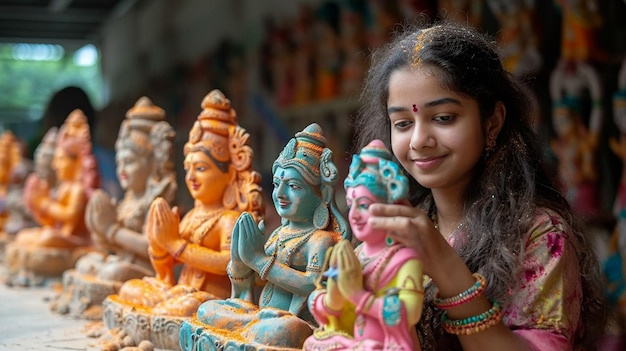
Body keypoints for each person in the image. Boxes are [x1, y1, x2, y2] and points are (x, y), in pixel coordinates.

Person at [351, 20, 607, 350]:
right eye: (402, 123)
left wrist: (443, 264)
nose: (418, 140)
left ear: (492, 121)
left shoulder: (539, 235)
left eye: (443, 117)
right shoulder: (397, 229)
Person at [100, 89, 264, 350]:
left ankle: (163, 326)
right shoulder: (191, 216)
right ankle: (161, 320)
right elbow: (165, 268)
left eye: (201, 168)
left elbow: (230, 264)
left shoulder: (231, 219)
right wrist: (159, 243)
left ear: (229, 174)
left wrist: (176, 244)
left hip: (213, 301)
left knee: (190, 307)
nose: (191, 177)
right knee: (132, 289)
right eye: (187, 168)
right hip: (179, 291)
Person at [179, 123, 351, 350]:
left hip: (296, 325)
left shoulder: (322, 239)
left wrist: (258, 260)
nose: (280, 194)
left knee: (287, 330)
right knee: (206, 309)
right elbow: (257, 280)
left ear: (322, 194)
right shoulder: (280, 234)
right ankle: (246, 331)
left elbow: (313, 285)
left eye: (293, 186)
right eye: (278, 184)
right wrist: (241, 262)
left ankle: (241, 335)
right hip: (261, 318)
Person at [50, 96, 177, 318]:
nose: (122, 169)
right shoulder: (128, 198)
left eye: (129, 161)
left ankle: (102, 305)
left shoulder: (157, 200)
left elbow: (154, 246)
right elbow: (109, 245)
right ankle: (95, 303)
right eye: (120, 161)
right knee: (86, 264)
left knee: (113, 271)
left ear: (152, 163)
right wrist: (98, 226)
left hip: (148, 272)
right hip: (121, 259)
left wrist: (112, 230)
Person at [304, 139, 424, 350]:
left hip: (387, 345)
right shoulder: (354, 255)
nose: (355, 215)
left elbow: (409, 312)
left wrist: (358, 296)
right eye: (351, 205)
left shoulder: (404, 259)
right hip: (352, 342)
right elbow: (320, 296)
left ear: (390, 208)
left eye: (365, 205)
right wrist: (332, 299)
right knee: (313, 342)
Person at [5, 109, 100, 286]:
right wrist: (37, 206)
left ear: (75, 162)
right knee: (23, 236)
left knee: (47, 238)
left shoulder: (77, 189)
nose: (56, 165)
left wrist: (45, 204)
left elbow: (70, 216)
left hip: (76, 239)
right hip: (60, 232)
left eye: (61, 159)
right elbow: (51, 222)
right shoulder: (62, 187)